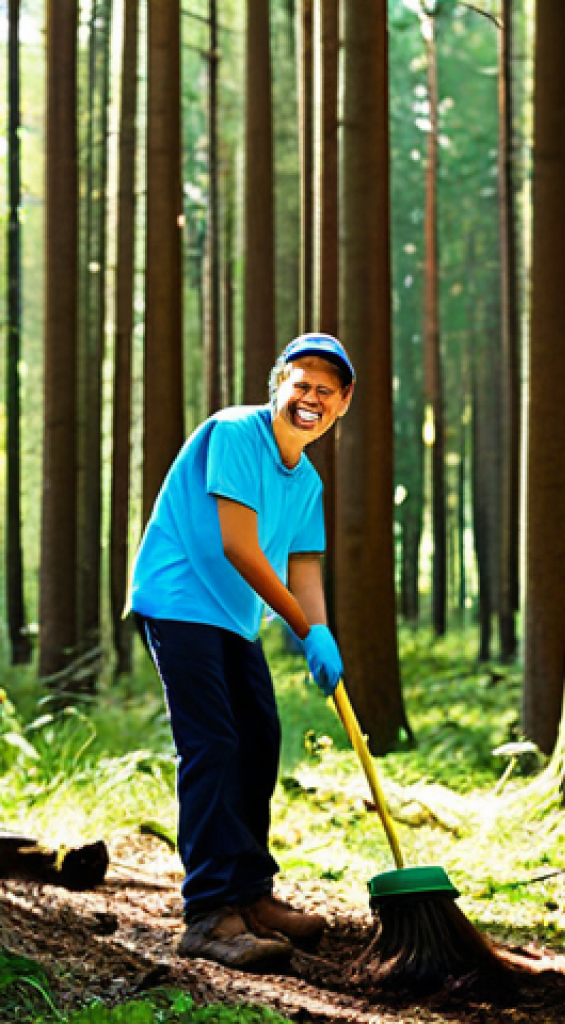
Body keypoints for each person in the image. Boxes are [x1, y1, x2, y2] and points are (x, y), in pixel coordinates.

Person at [130, 333, 355, 968]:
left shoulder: (305, 479)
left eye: (324, 391)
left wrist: (322, 629)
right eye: (300, 384)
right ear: (279, 385)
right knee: (214, 744)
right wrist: (301, 627)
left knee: (260, 738)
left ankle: (251, 895)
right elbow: (239, 546)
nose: (309, 398)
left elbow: (304, 565)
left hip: (233, 618)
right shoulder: (234, 433)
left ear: (342, 403)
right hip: (179, 598)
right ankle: (207, 913)